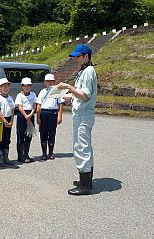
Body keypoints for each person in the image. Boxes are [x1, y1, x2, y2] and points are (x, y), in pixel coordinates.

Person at [58, 44, 97, 196]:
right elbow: (78, 95)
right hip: (81, 113)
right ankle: (86, 180)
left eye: (77, 56)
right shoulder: (84, 71)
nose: (75, 59)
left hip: (83, 115)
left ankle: (85, 185)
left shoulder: (88, 71)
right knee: (84, 146)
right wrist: (63, 96)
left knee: (81, 147)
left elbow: (85, 95)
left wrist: (69, 87)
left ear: (86, 56)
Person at [36, 73, 64, 160]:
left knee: (52, 133)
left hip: (53, 113)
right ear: (45, 82)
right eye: (48, 81)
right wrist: (38, 117)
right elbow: (39, 105)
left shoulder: (57, 91)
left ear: (54, 82)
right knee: (43, 133)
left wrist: (60, 116)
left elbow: (60, 104)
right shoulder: (42, 92)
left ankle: (51, 153)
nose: (50, 83)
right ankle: (44, 153)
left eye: (51, 81)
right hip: (44, 113)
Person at [15, 77, 37, 163]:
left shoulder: (33, 94)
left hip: (30, 114)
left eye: (29, 85)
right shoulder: (19, 95)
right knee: (21, 135)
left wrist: (30, 114)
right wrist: (26, 116)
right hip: (22, 115)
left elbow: (34, 106)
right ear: (22, 86)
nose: (27, 87)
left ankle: (26, 154)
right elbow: (20, 107)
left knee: (29, 135)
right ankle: (20, 156)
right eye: (25, 85)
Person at [0, 78, 15, 167]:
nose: (6, 88)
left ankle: (6, 157)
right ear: (0, 87)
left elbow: (12, 110)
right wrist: (5, 121)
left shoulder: (10, 98)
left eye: (7, 86)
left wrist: (11, 121)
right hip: (0, 120)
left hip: (8, 120)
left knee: (7, 139)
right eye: (4, 86)